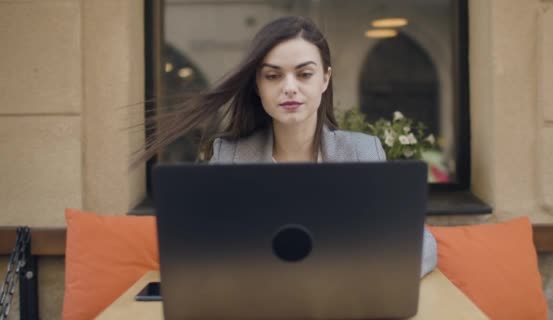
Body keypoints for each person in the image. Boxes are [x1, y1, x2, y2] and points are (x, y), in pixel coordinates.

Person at [145, 16, 437, 277]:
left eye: (304, 74)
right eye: (273, 76)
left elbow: (421, 245)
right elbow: (197, 243)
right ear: (258, 86)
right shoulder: (230, 155)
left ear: (325, 79)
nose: (289, 87)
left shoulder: (362, 152)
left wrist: (360, 274)